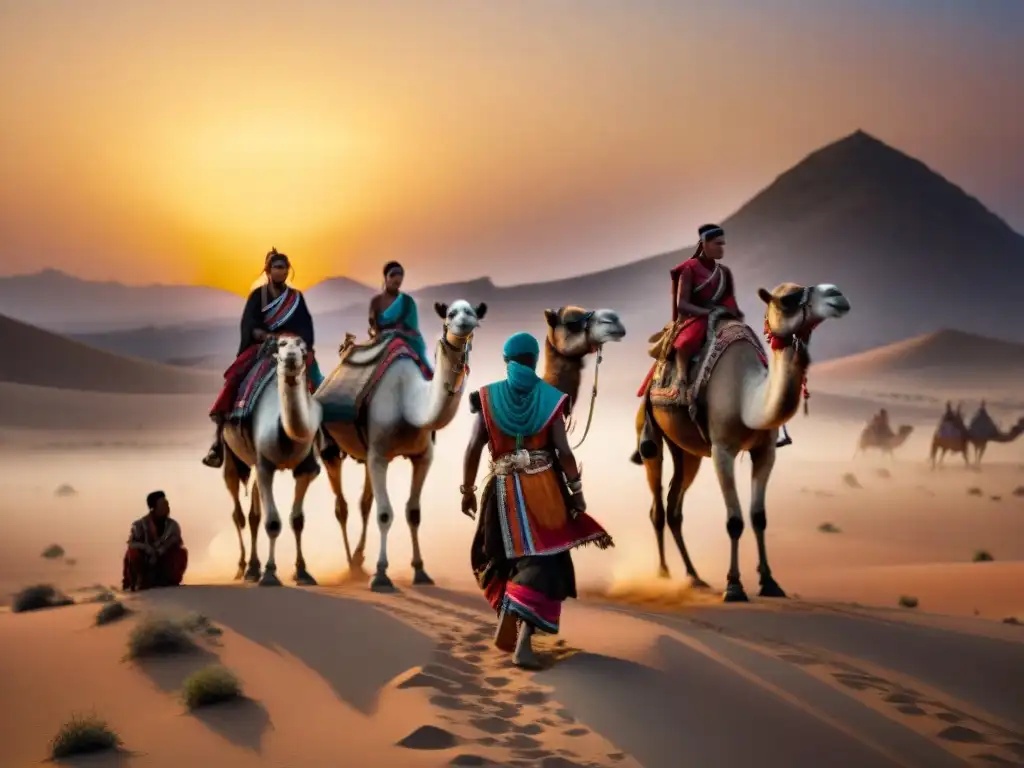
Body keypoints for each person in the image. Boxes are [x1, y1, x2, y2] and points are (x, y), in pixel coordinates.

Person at [462, 332, 613, 670]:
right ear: (534, 360)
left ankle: (508, 615)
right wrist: (576, 492)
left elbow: (473, 448)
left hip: (499, 493)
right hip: (544, 491)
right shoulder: (551, 399)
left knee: (501, 557)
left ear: (507, 361)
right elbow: (563, 451)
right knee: (545, 561)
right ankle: (524, 640)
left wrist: (467, 490)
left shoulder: (487, 398)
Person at [636, 224, 790, 453]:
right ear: (704, 244)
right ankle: (679, 383)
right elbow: (682, 304)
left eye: (723, 244)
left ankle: (770, 405)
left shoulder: (724, 273)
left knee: (751, 341)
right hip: (695, 318)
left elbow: (731, 302)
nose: (722, 248)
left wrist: (733, 316)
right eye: (717, 244)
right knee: (686, 341)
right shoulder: (689, 270)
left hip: (722, 320)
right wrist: (708, 312)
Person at [202, 248, 322, 467]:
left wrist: (296, 340)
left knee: (316, 377)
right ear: (268, 270)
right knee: (236, 375)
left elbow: (306, 326)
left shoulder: (296, 298)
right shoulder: (258, 296)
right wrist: (267, 336)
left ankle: (327, 436)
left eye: (284, 267)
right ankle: (218, 440)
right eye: (276, 267)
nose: (281, 271)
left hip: (292, 346)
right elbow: (250, 325)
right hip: (263, 347)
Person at [366, 260, 431, 371]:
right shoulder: (376, 302)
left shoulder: (407, 302)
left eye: (400, 276)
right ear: (385, 277)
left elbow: (412, 329)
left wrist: (397, 333)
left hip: (405, 341)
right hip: (381, 342)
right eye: (393, 275)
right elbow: (373, 325)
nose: (397, 279)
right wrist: (381, 335)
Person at [122, 491, 188, 591]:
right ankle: (135, 583)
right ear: (153, 507)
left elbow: (175, 542)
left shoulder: (173, 526)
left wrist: (159, 551)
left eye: (167, 504)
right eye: (163, 504)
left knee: (181, 553)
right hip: (145, 563)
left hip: (163, 562)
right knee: (132, 553)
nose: (167, 507)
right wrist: (148, 549)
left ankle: (170, 582)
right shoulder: (139, 524)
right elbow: (132, 543)